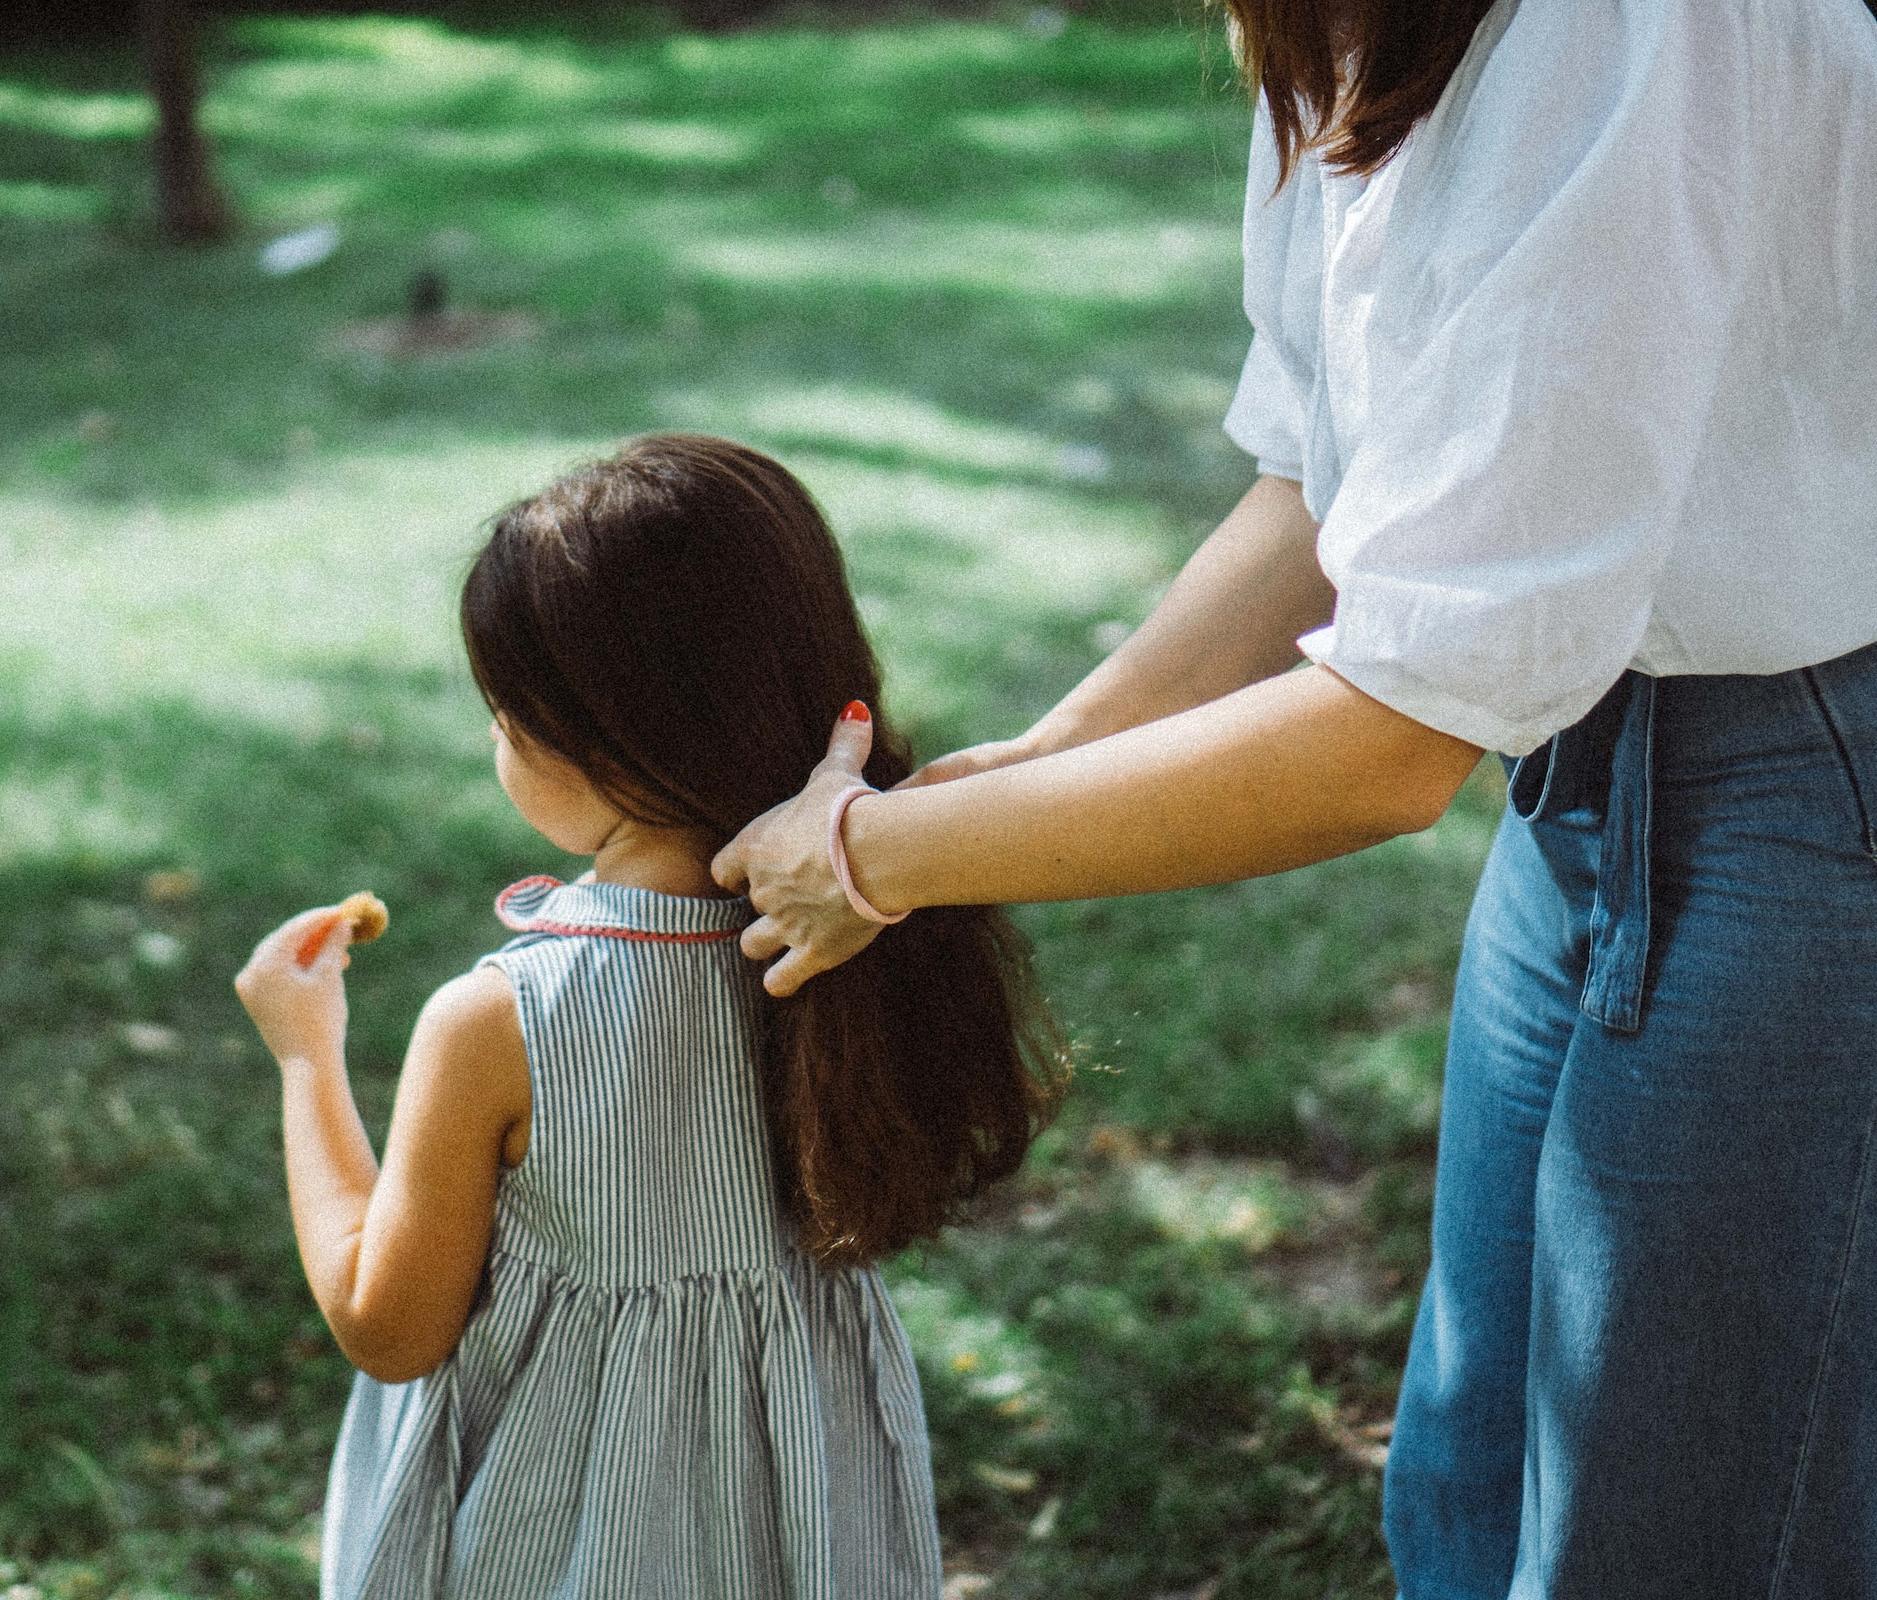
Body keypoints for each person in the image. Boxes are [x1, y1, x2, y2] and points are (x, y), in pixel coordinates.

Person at [712, 2, 1877, 1595]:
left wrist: (886, 856)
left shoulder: (1629, 29)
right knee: (1467, 1491)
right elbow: (1329, 483)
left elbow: (1394, 740)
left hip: (1811, 790)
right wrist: (1056, 749)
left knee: (1669, 1538)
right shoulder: (1345, 25)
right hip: (1591, 776)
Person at [233, 435, 1066, 1600]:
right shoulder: (873, 928)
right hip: (799, 1518)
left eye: (503, 715)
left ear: (594, 743)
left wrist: (304, 1058)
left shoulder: (498, 1022)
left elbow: (389, 1326)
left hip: (558, 1530)